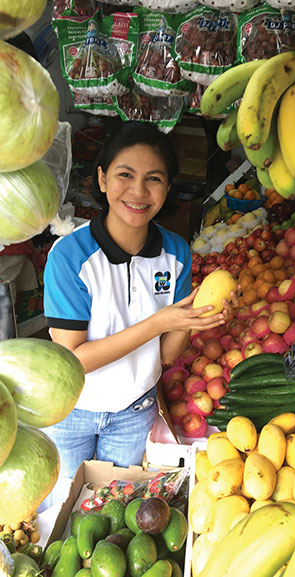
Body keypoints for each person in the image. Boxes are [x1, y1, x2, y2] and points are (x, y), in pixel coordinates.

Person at [43, 120, 237, 489]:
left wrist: (193, 321)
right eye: (125, 174)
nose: (138, 191)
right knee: (65, 510)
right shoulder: (70, 256)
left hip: (135, 410)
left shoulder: (177, 253)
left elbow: (165, 355)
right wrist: (157, 323)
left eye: (154, 178)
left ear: (167, 188)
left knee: (116, 507)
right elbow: (74, 359)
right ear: (102, 180)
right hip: (72, 409)